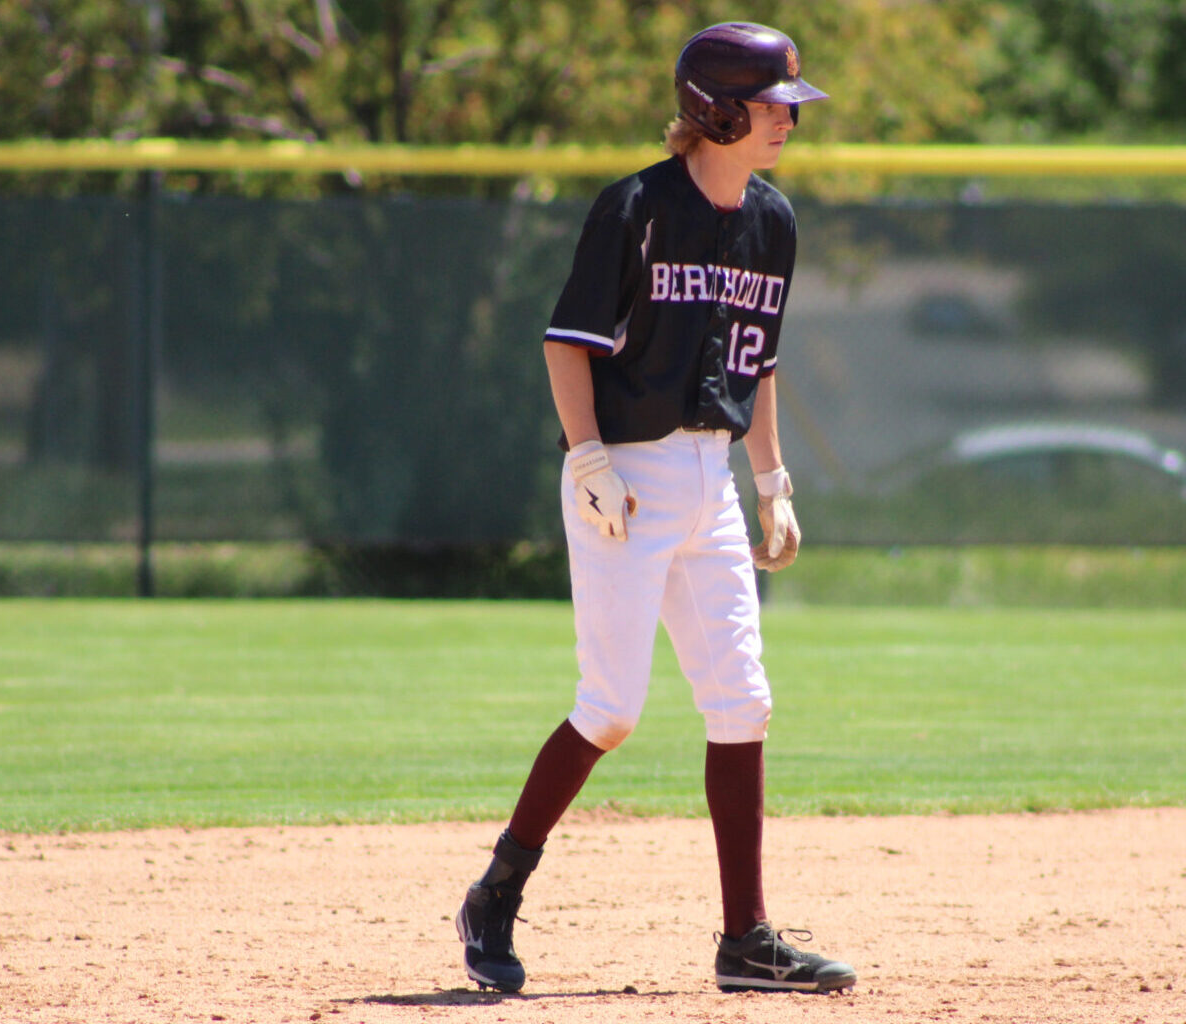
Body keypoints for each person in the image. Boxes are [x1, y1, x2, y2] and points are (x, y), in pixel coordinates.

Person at [454, 21, 855, 996]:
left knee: (742, 702)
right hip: (623, 480)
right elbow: (567, 341)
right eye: (769, 104)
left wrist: (771, 480)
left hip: (710, 477)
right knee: (612, 706)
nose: (784, 122)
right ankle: (498, 889)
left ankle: (746, 939)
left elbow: (756, 363)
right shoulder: (634, 205)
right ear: (714, 108)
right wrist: (586, 454)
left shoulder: (775, 220)